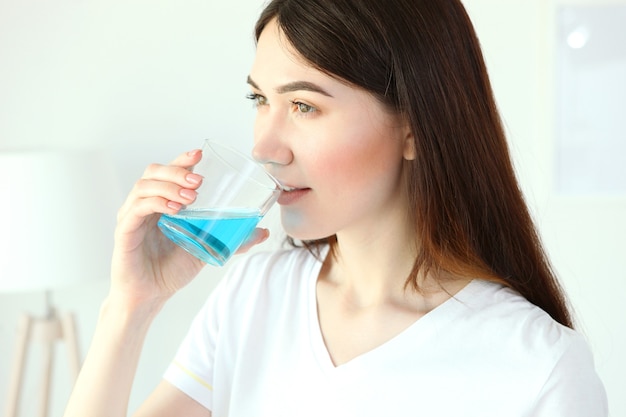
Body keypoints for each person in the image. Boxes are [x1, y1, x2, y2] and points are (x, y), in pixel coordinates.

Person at [63, 0, 608, 416]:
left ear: (415, 127)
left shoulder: (537, 366)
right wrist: (130, 308)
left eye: (304, 106)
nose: (264, 148)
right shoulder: (254, 294)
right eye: (260, 100)